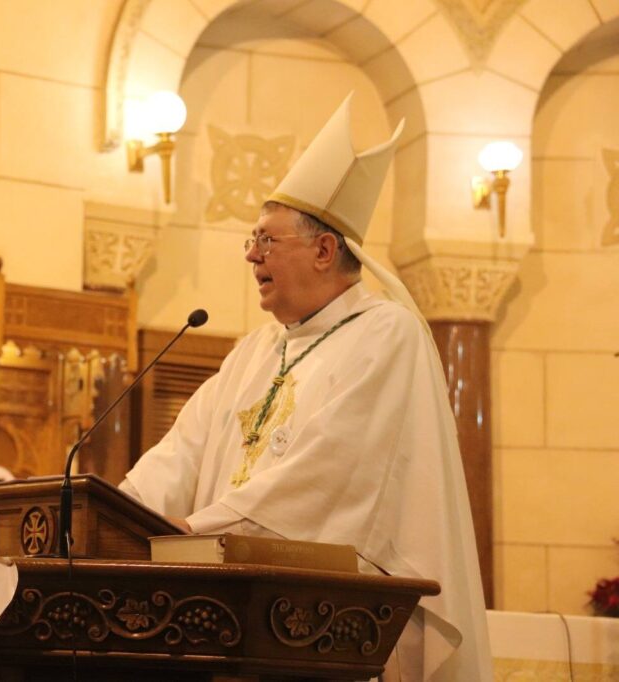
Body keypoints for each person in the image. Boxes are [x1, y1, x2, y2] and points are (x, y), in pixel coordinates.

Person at [119, 95, 493, 681]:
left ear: (324, 250)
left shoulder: (387, 335)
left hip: (329, 628)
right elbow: (181, 452)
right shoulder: (255, 350)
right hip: (231, 620)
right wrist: (118, 515)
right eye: (252, 239)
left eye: (267, 240)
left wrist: (198, 531)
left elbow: (330, 473)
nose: (251, 255)